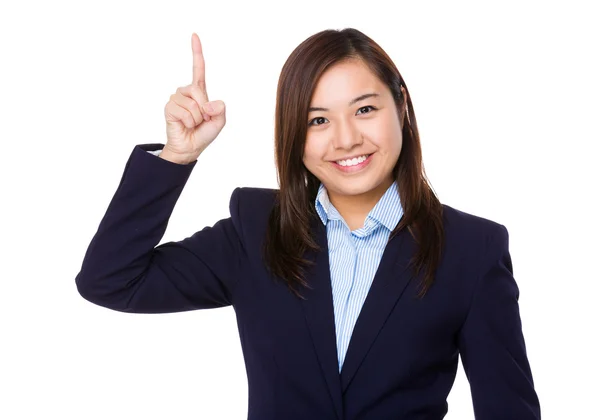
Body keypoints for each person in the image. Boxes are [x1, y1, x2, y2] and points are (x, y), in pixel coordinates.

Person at [75, 28, 541, 419]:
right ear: (294, 133)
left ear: (400, 105)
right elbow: (111, 280)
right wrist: (177, 156)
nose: (345, 139)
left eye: (364, 109)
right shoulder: (255, 231)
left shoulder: (471, 249)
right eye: (318, 119)